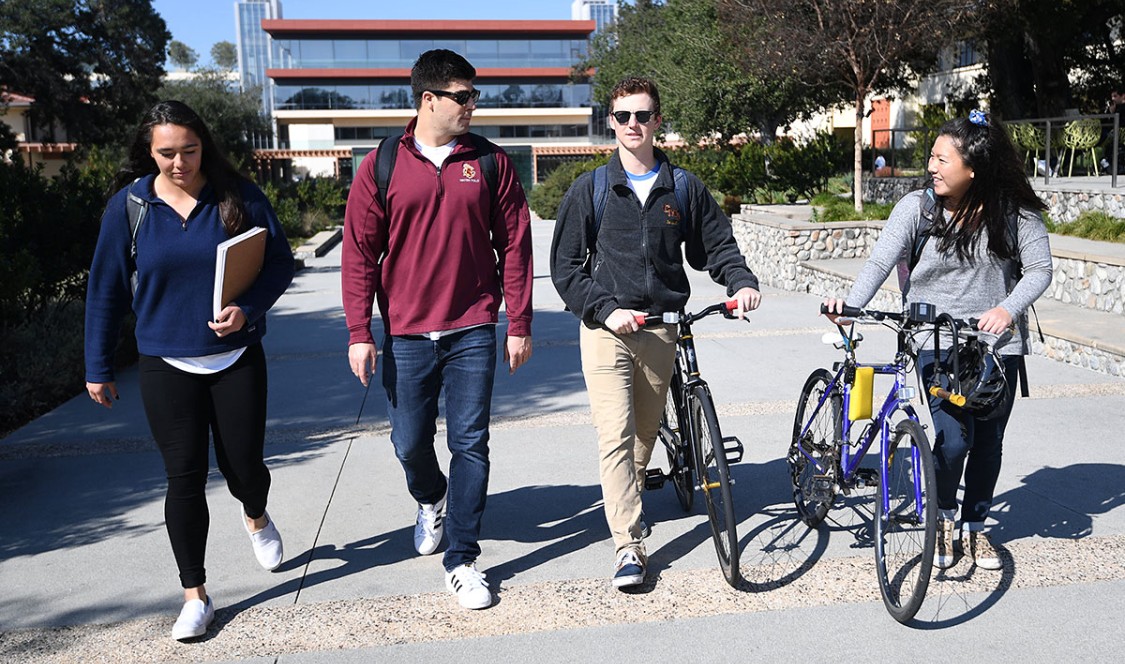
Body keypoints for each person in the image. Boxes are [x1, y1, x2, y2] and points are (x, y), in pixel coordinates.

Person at [85, 100, 295, 640]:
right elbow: (105, 289)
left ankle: (255, 513)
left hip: (236, 356)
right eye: (167, 153)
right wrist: (97, 365)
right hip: (165, 362)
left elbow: (278, 262)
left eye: (190, 150)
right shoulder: (128, 207)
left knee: (244, 466)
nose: (180, 163)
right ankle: (196, 595)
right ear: (149, 152)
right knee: (184, 478)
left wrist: (248, 309)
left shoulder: (239, 195)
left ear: (204, 144)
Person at [549, 76, 761, 588]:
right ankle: (628, 545)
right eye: (622, 117)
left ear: (658, 121)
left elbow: (716, 246)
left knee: (644, 435)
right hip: (607, 332)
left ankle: (631, 499)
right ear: (611, 122)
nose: (632, 126)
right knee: (616, 436)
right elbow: (566, 268)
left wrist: (741, 281)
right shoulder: (592, 189)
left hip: (663, 329)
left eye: (642, 116)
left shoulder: (682, 187)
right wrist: (603, 308)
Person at [341, 49, 532, 610]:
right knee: (408, 442)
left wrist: (516, 322)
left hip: (473, 324)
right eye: (463, 96)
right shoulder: (381, 164)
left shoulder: (491, 162)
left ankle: (463, 558)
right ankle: (430, 499)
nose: (473, 104)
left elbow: (515, 247)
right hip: (404, 331)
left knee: (470, 442)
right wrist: (359, 331)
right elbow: (359, 255)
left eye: (474, 95)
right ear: (429, 100)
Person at [824, 110, 1052, 571]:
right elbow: (877, 265)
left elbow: (1041, 270)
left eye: (942, 159)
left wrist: (1007, 308)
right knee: (952, 439)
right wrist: (849, 308)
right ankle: (944, 518)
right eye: (931, 156)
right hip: (934, 339)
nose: (931, 166)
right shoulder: (918, 209)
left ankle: (975, 527)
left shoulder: (1013, 212)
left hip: (995, 346)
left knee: (988, 440)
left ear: (974, 168)